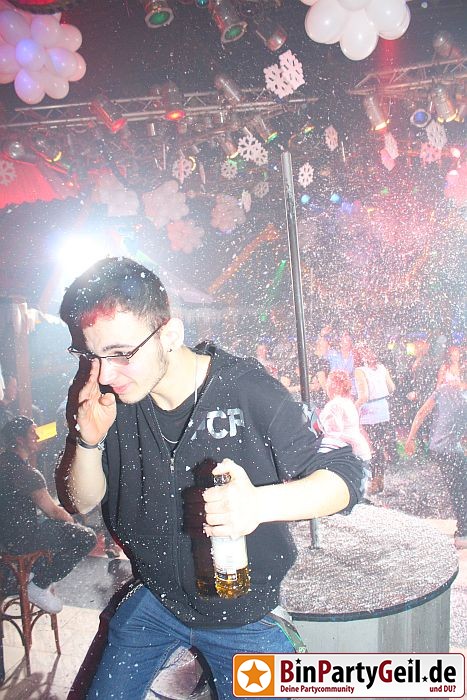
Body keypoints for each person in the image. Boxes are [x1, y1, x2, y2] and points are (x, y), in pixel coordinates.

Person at [56, 257, 365, 700]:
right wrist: (86, 441)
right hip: (157, 601)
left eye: (121, 353)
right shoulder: (111, 397)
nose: (105, 373)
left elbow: (346, 474)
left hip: (246, 616)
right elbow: (80, 501)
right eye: (92, 355)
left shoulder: (246, 389)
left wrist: (259, 505)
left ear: (169, 335)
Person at [0, 416, 96, 613]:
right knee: (86, 537)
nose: (37, 436)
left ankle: (34, 573)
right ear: (19, 439)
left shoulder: (4, 464)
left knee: (56, 525)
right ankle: (39, 584)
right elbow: (52, 511)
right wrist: (73, 523)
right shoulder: (25, 473)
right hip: (22, 540)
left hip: (5, 537)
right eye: (32, 433)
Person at [405, 377, 467, 549]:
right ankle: (463, 532)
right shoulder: (456, 394)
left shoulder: (443, 390)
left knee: (458, 488)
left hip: (440, 448)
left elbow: (421, 413)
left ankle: (463, 529)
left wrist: (411, 438)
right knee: (459, 490)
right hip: (449, 449)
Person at [354, 344, 396, 495]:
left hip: (369, 413)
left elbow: (364, 396)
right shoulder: (382, 368)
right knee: (380, 447)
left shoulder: (360, 371)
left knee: (371, 447)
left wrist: (352, 407)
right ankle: (380, 479)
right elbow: (392, 388)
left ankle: (372, 481)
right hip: (383, 410)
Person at [319, 370, 371, 464]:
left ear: (335, 386)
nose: (326, 386)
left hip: (350, 455)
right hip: (361, 452)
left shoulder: (334, 405)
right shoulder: (348, 402)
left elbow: (333, 433)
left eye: (328, 382)